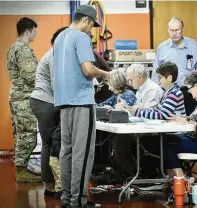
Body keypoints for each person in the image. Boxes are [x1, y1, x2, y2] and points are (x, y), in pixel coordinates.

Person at [53, 5, 108, 208]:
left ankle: (68, 198)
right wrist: (106, 74)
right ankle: (78, 201)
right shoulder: (81, 37)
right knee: (82, 153)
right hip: (82, 102)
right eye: (92, 25)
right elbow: (87, 69)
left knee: (66, 152)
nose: (91, 29)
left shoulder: (59, 38)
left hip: (63, 102)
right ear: (85, 20)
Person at [29, 27, 67, 197]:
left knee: (48, 143)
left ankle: (50, 186)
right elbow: (56, 84)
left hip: (42, 101)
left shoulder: (54, 53)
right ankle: (53, 186)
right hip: (45, 101)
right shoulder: (55, 55)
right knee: (50, 143)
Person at [6, 17, 41, 183]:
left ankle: (22, 167)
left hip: (16, 96)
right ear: (28, 31)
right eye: (35, 30)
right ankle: (21, 171)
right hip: (24, 98)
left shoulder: (13, 48)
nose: (36, 34)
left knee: (20, 134)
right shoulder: (23, 49)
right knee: (28, 134)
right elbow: (30, 77)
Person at [151, 17, 197, 115]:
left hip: (188, 91)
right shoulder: (162, 48)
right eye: (171, 30)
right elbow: (156, 72)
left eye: (177, 30)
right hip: (169, 92)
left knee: (188, 121)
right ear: (168, 30)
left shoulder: (193, 45)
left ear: (182, 29)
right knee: (169, 120)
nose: (174, 33)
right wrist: (157, 92)